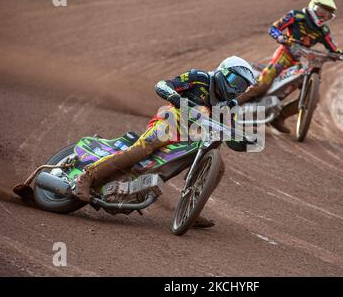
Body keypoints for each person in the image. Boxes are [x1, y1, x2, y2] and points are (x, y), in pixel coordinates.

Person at [74, 56, 256, 227]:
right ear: (223, 72)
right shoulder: (200, 78)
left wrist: (242, 141)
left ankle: (191, 205)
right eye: (236, 82)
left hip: (194, 137)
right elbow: (163, 85)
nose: (237, 89)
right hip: (171, 120)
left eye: (242, 87)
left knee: (219, 165)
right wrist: (174, 97)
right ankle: (87, 176)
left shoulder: (229, 105)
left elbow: (229, 134)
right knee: (143, 149)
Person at [237, 0, 343, 133]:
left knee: (314, 97)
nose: (323, 16)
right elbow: (274, 28)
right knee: (263, 84)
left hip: (301, 61)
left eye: (328, 14)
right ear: (313, 6)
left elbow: (333, 48)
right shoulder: (296, 16)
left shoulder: (323, 30)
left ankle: (279, 118)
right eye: (322, 11)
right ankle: (229, 106)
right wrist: (279, 36)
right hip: (285, 54)